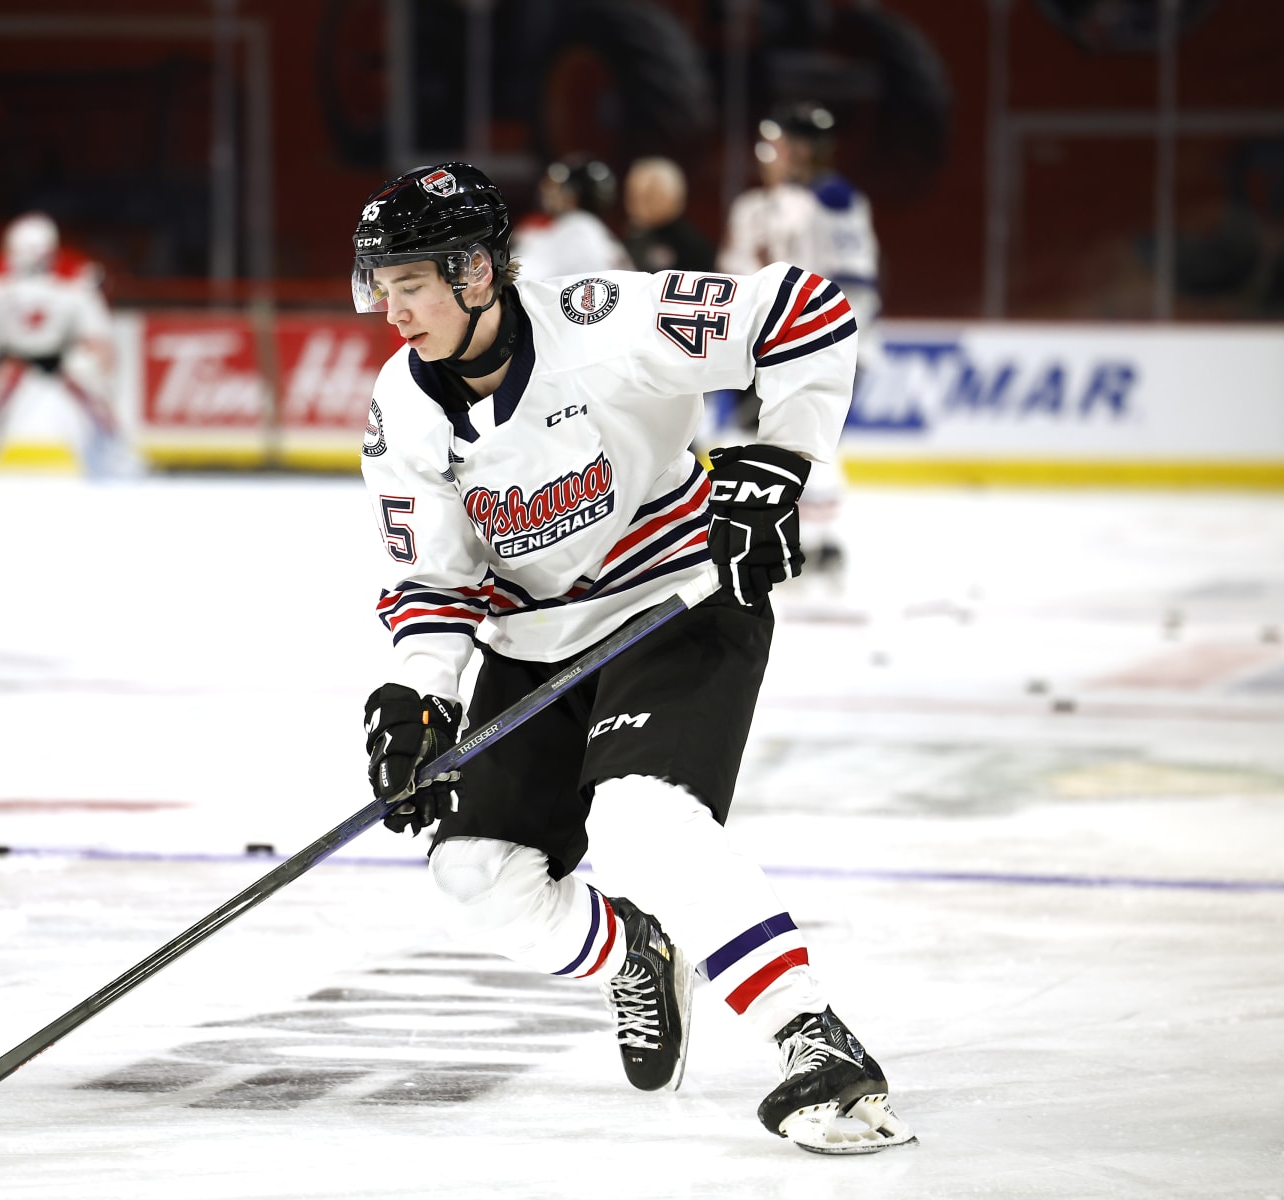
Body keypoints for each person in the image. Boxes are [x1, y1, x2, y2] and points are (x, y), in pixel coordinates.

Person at [349, 161, 914, 1153]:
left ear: (475, 272)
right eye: (382, 289)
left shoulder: (604, 320)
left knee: (641, 816)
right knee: (477, 873)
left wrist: (776, 468)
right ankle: (635, 956)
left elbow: (804, 309)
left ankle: (813, 1041)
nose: (393, 313)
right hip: (534, 644)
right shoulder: (401, 407)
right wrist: (417, 695)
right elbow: (434, 584)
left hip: (677, 602)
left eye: (411, 286)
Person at [719, 104, 880, 571]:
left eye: (777, 145)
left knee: (812, 439)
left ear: (801, 150)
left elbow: (857, 282)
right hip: (766, 343)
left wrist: (832, 343)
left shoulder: (835, 200)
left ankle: (819, 541)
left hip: (820, 342)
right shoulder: (755, 207)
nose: (768, 155)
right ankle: (781, 536)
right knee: (758, 437)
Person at [0, 213, 124, 474]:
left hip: (63, 353)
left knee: (88, 382)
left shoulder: (75, 279)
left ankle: (109, 448)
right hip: (11, 354)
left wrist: (101, 362)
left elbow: (95, 330)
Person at [510, 158, 632, 281]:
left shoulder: (576, 230)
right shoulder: (595, 230)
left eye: (557, 187)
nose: (549, 192)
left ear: (572, 195)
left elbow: (519, 277)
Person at [622, 157, 715, 275]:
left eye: (648, 198)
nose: (634, 205)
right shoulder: (635, 234)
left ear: (671, 196)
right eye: (632, 196)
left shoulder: (689, 244)